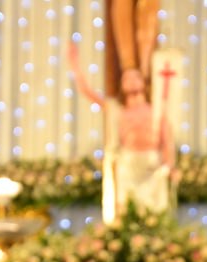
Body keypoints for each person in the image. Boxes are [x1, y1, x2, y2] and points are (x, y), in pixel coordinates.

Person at [67, 41, 174, 217]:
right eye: (126, 78)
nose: (130, 81)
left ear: (143, 82)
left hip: (152, 165)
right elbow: (86, 91)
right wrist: (75, 65)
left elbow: (166, 141)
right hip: (128, 164)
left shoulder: (156, 110)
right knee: (128, 209)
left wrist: (170, 165)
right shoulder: (117, 110)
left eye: (135, 77)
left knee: (154, 213)